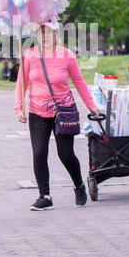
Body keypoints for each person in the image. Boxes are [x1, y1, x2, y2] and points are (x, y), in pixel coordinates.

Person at [14, 21, 100, 211]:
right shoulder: (29, 56)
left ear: (57, 34)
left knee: (66, 154)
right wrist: (19, 108)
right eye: (41, 32)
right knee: (39, 153)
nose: (45, 36)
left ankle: (79, 185)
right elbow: (22, 83)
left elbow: (79, 82)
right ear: (36, 35)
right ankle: (45, 196)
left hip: (64, 112)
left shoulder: (67, 55)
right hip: (37, 112)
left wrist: (91, 106)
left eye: (49, 32)